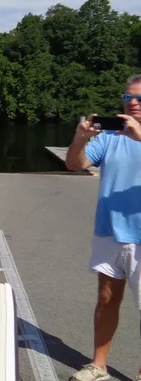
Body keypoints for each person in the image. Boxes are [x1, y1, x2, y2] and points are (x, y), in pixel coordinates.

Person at [65, 74, 141, 381]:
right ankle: (99, 365)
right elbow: (75, 164)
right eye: (128, 97)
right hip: (109, 231)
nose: (133, 103)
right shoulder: (111, 136)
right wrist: (80, 139)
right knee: (107, 299)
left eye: (139, 98)